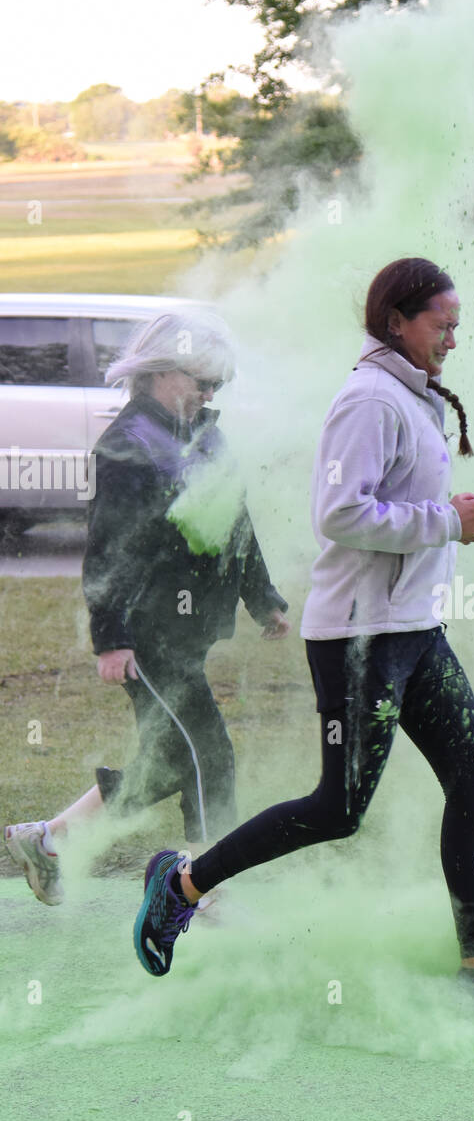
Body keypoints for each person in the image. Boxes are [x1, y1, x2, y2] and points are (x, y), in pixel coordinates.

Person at [133, 258, 474, 1006]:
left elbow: (393, 502)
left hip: (413, 630)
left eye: (457, 326)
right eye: (442, 325)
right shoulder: (370, 399)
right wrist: (446, 523)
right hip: (360, 639)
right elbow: (339, 513)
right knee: (338, 809)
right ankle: (181, 883)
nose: (453, 340)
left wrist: (442, 521)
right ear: (397, 322)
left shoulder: (412, 395)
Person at [4, 310, 290, 906]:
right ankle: (207, 892)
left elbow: (234, 519)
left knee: (167, 762)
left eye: (218, 385)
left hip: (187, 633)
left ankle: (46, 840)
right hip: (148, 636)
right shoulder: (127, 445)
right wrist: (111, 636)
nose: (211, 394)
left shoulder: (205, 433)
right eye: (201, 380)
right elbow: (110, 549)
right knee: (208, 756)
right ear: (161, 372)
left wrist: (263, 598)